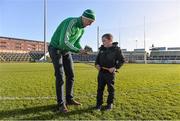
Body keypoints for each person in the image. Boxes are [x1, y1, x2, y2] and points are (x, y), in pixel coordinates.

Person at [48, 9, 95, 113]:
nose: (90, 25)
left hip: (66, 51)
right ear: (84, 18)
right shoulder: (71, 22)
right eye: (90, 22)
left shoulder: (82, 29)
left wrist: (81, 49)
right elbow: (64, 42)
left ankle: (69, 99)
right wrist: (78, 50)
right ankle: (61, 104)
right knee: (60, 76)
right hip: (56, 49)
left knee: (71, 75)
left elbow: (76, 42)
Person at [95, 33, 125, 111]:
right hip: (101, 73)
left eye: (104, 41)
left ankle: (109, 104)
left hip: (110, 74)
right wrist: (97, 65)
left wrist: (115, 67)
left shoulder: (116, 49)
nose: (103, 42)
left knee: (110, 90)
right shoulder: (101, 49)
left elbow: (122, 60)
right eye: (102, 41)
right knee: (99, 89)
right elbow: (97, 61)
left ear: (110, 40)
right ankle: (99, 104)